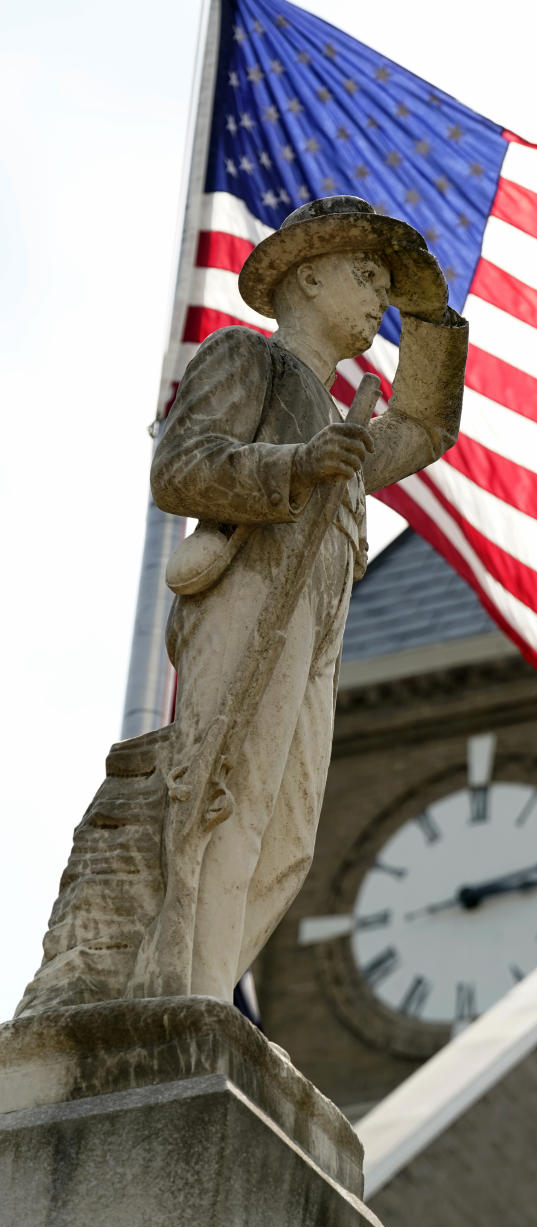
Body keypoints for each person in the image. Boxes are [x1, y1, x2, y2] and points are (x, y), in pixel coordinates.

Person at [140, 195, 467, 1001]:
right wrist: (293, 465)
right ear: (308, 278)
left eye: (385, 291)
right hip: (252, 594)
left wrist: (431, 320)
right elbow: (178, 470)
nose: (377, 303)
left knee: (287, 835)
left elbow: (424, 425)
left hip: (317, 623)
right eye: (366, 278)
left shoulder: (347, 425)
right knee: (229, 793)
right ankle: (185, 992)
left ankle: (206, 989)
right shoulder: (247, 360)